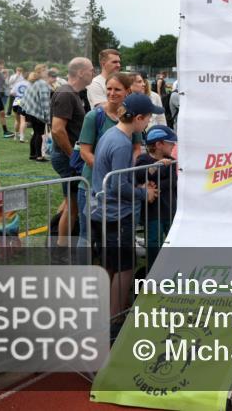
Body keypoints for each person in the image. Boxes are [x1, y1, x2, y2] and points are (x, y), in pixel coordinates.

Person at [89, 94, 161, 320]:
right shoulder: (121, 143)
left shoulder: (111, 134)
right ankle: (116, 317)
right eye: (148, 118)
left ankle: (106, 314)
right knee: (125, 268)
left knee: (111, 265)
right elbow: (117, 186)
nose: (149, 122)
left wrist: (137, 183)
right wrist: (143, 193)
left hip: (103, 212)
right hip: (117, 214)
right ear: (138, 118)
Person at [78, 72, 143, 247]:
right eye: (109, 89)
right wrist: (108, 173)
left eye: (117, 89)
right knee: (87, 236)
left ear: (128, 92)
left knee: (114, 241)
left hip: (119, 188)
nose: (112, 93)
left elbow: (137, 148)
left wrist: (126, 169)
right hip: (92, 186)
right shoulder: (94, 116)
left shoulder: (131, 116)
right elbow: (85, 152)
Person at [49, 57, 94, 249]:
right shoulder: (66, 94)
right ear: (81, 72)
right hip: (66, 156)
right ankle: (61, 247)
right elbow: (57, 129)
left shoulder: (73, 93)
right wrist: (73, 156)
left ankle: (59, 242)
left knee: (71, 203)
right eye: (91, 70)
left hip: (69, 156)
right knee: (73, 206)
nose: (94, 73)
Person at [135, 125, 178, 270]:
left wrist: (152, 185)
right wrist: (156, 166)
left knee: (174, 240)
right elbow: (140, 176)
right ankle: (153, 271)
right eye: (170, 143)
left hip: (169, 209)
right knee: (154, 242)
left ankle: (172, 268)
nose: (173, 146)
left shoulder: (171, 161)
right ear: (159, 144)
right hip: (152, 213)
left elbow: (171, 181)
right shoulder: (143, 159)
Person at [19, 68, 53, 161]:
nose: (47, 72)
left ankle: (32, 154)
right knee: (39, 133)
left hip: (30, 111)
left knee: (35, 133)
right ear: (41, 72)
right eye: (45, 70)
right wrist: (48, 117)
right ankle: (39, 156)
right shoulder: (42, 83)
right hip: (38, 112)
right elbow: (45, 101)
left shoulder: (32, 83)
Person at [11, 70, 34, 142]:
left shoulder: (18, 83)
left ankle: (16, 135)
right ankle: (22, 137)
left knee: (17, 120)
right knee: (24, 121)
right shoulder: (30, 84)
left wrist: (18, 96)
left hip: (16, 103)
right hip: (25, 103)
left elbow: (11, 93)